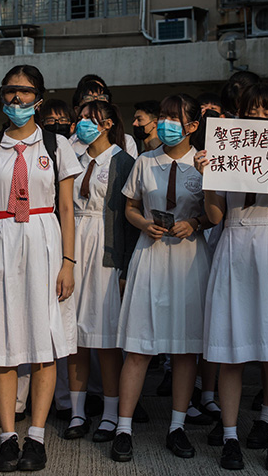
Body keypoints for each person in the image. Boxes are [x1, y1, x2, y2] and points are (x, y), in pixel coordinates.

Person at [0, 65, 82, 472]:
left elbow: (67, 207)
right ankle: (7, 436)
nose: (17, 99)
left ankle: (36, 436)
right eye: (11, 91)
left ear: (40, 98)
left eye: (25, 92)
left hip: (44, 240)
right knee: (2, 341)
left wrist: (68, 261)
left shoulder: (56, 144)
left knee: (43, 339)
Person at [195, 83, 268, 471]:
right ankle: (230, 436)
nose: (260, 118)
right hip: (233, 243)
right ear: (239, 115)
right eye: (252, 111)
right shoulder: (226, 148)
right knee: (230, 353)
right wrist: (208, 174)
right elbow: (214, 216)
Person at [112, 94, 212, 463]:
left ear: (192, 125)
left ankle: (177, 426)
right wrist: (143, 224)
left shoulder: (205, 163)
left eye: (176, 118)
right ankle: (123, 428)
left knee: (185, 350)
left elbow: (215, 213)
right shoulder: (144, 160)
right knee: (139, 347)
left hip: (188, 259)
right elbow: (131, 206)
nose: (169, 124)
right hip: (150, 255)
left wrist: (196, 222)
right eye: (165, 117)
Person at [63, 100, 136, 444]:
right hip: (74, 247)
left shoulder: (123, 162)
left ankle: (110, 413)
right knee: (74, 336)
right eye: (81, 119)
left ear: (108, 123)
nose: (83, 125)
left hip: (105, 251)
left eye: (90, 120)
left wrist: (124, 266)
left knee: (106, 339)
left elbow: (128, 218)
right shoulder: (72, 159)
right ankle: (77, 412)